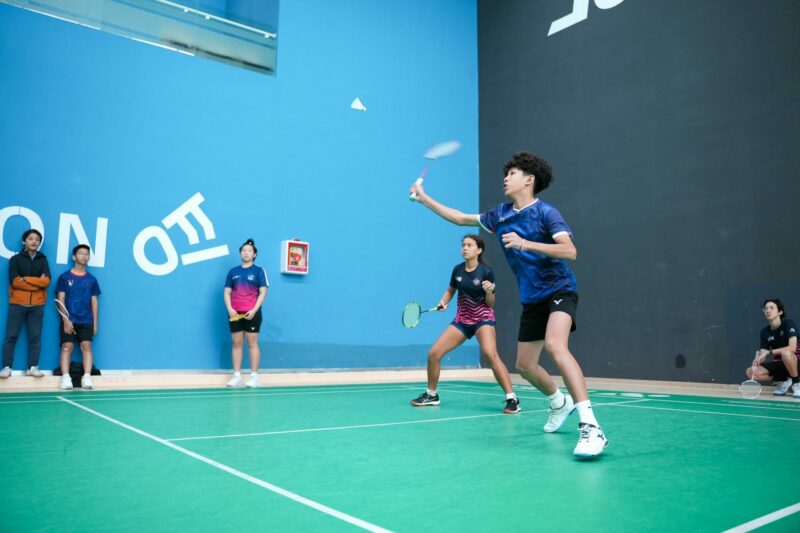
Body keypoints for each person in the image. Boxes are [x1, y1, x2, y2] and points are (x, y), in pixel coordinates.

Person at [410, 151, 607, 458]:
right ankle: (559, 402)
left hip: (559, 288)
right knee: (524, 366)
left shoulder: (546, 213)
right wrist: (424, 199)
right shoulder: (500, 214)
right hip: (531, 297)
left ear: (529, 180)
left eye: (512, 173)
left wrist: (525, 243)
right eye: (506, 173)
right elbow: (460, 218)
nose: (505, 178)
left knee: (556, 346)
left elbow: (570, 251)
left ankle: (591, 426)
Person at [411, 235, 521, 413]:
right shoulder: (458, 269)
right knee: (434, 354)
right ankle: (432, 395)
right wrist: (443, 301)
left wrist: (489, 292)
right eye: (463, 245)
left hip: (482, 319)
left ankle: (512, 398)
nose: (465, 248)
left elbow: (490, 303)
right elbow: (450, 290)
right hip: (462, 320)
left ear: (479, 250)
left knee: (490, 354)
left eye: (469, 245)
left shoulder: (486, 272)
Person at [1, 229, 51, 379]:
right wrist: (36, 283)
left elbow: (46, 281)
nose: (34, 241)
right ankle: (7, 367)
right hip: (18, 303)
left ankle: (32, 367)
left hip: (37, 305)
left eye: (37, 239)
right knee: (11, 337)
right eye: (30, 239)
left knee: (35, 338)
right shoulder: (15, 259)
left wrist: (26, 279)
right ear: (24, 241)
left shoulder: (43, 260)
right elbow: (15, 282)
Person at [55, 244, 101, 390]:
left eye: (87, 254)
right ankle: (65, 378)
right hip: (69, 320)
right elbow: (60, 300)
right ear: (74, 257)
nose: (85, 256)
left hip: (86, 320)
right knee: (67, 347)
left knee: (86, 346)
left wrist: (95, 323)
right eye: (81, 253)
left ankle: (87, 377)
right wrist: (65, 320)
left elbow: (94, 302)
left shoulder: (92, 280)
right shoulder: (64, 277)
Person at [224, 239, 268, 388]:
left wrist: (254, 310)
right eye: (243, 250)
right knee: (236, 344)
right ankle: (237, 376)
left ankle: (254, 377)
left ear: (254, 254)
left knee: (252, 344)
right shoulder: (233, 272)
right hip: (235, 314)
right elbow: (227, 292)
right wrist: (230, 309)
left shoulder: (259, 271)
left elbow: (263, 292)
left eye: (249, 251)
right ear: (240, 253)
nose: (246, 253)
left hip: (252, 313)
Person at [747, 299, 800, 398]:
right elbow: (763, 354)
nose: (768, 310)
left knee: (786, 353)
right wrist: (758, 360)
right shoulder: (764, 332)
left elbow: (792, 348)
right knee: (750, 372)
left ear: (780, 312)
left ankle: (796, 383)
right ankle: (784, 381)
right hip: (780, 364)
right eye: (766, 308)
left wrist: (769, 352)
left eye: (772, 308)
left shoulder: (788, 323)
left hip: (796, 362)